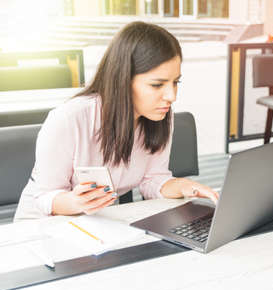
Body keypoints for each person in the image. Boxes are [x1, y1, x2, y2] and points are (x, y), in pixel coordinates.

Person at [14, 22, 219, 220]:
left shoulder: (160, 116)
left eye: (176, 82)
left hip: (94, 222)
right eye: (157, 85)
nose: (171, 96)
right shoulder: (69, 118)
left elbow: (153, 180)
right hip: (41, 225)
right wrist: (76, 202)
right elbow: (44, 197)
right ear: (123, 79)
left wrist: (184, 186)